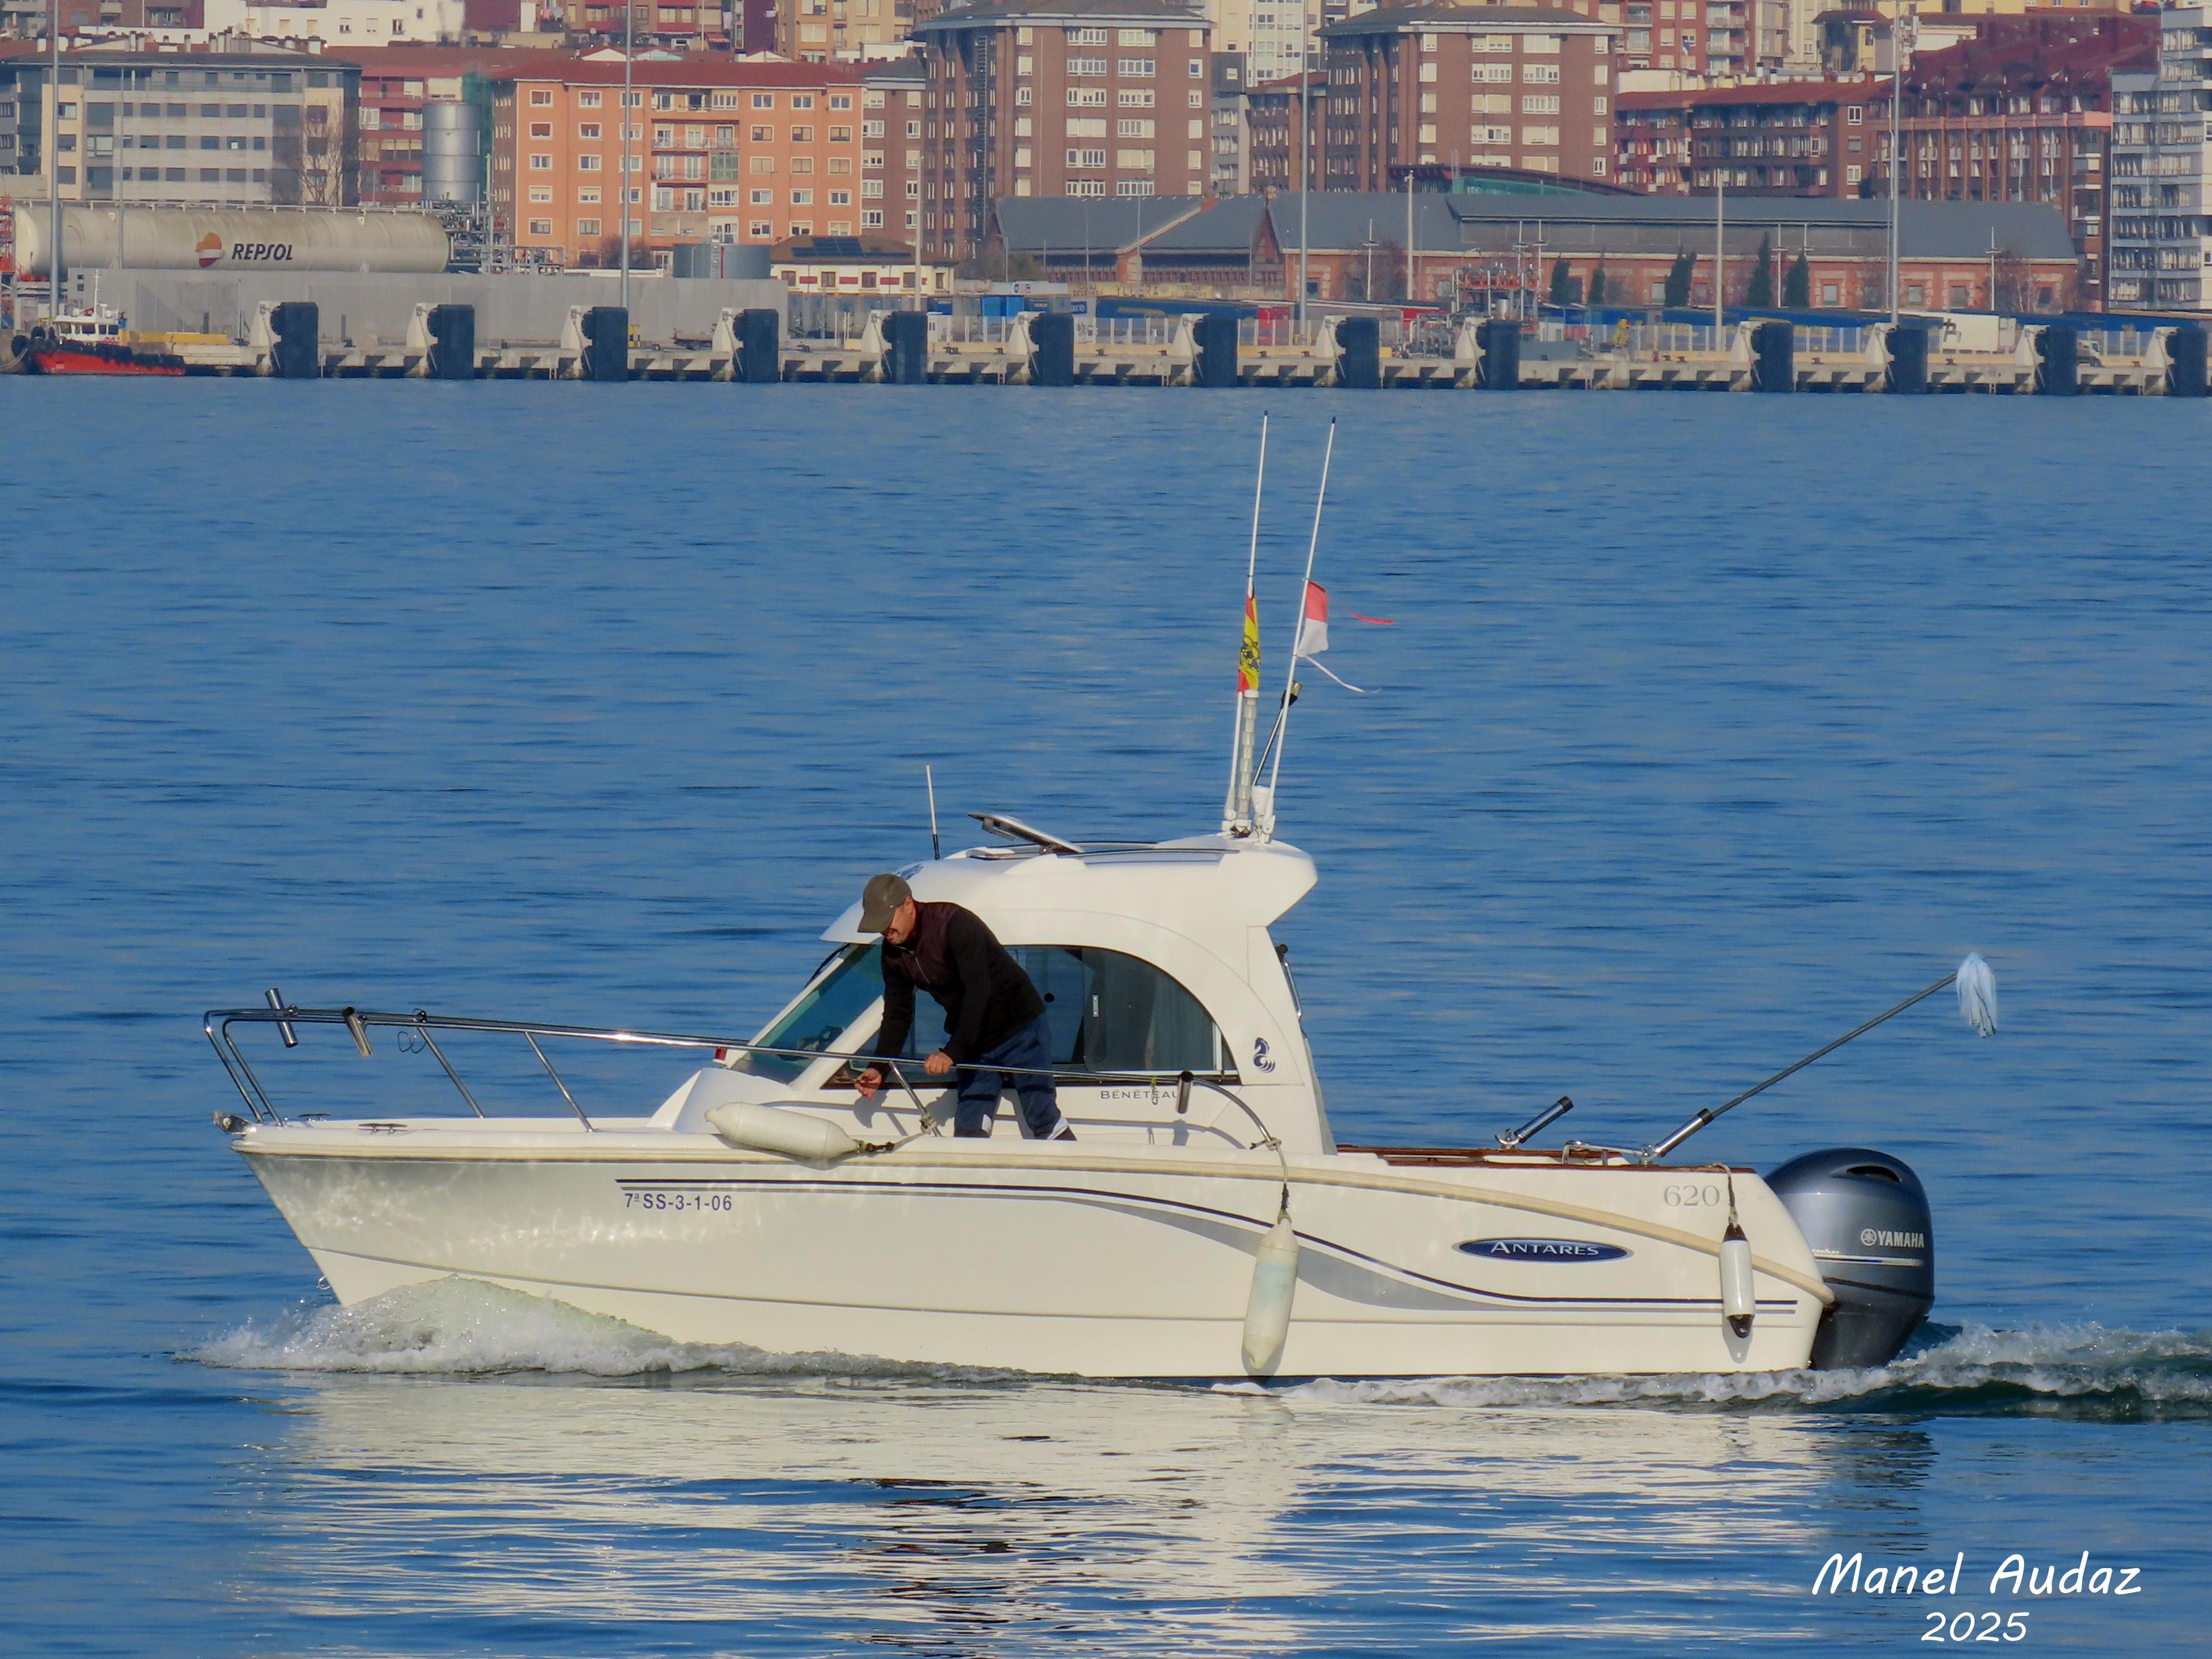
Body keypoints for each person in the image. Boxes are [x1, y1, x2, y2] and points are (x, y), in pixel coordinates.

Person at [851, 872, 1074, 1141]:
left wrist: (952, 1053)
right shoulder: (893, 953)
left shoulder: (954, 925)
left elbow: (979, 993)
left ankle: (1074, 1161)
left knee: (1042, 1116)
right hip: (975, 1041)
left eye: (888, 922)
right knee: (969, 1128)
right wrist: (879, 1067)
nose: (886, 933)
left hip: (1020, 1027)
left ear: (908, 904)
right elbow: (898, 1014)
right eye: (879, 927)